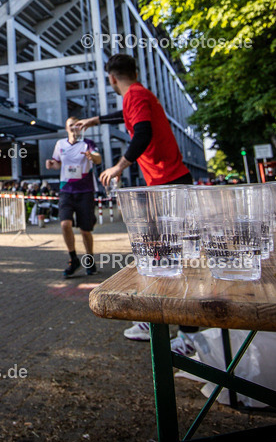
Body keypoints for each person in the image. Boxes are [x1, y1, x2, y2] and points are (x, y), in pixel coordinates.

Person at [74, 54, 197, 355]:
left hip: (170, 184)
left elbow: (142, 133)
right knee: (159, 255)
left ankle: (189, 336)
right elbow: (128, 119)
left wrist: (119, 166)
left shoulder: (137, 95)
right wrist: (96, 120)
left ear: (112, 78)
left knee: (172, 257)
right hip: (164, 184)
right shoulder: (135, 96)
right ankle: (156, 319)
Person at [45, 116, 102, 278]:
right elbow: (57, 163)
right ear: (66, 128)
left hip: (85, 191)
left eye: (77, 125)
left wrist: (92, 157)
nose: (74, 128)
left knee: (85, 231)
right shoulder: (60, 144)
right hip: (66, 190)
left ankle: (90, 260)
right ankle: (73, 259)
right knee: (65, 224)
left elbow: (98, 159)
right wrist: (50, 164)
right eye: (71, 125)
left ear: (81, 127)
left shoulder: (88, 143)